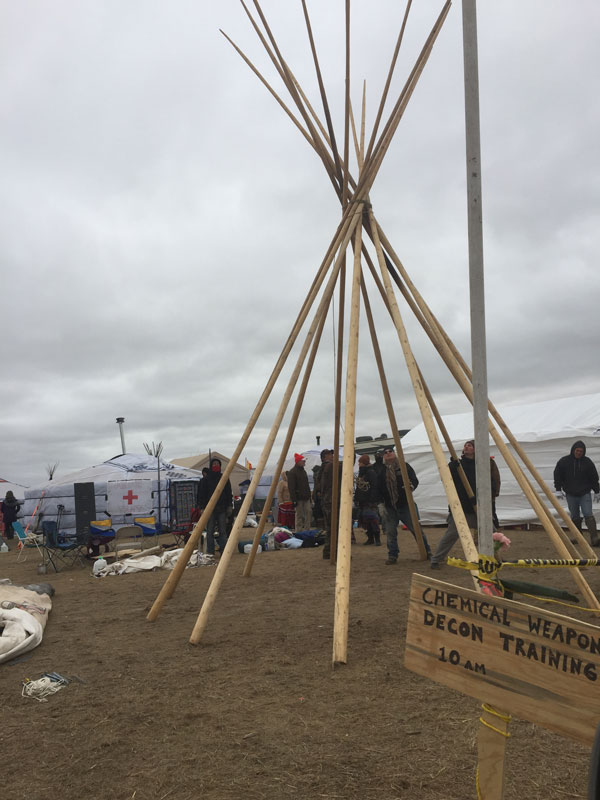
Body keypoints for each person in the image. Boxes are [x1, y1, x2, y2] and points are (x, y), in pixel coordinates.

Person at [430, 439, 500, 569]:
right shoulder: (458, 465)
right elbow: (445, 478)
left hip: (478, 507)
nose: (467, 447)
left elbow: (490, 483)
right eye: (466, 445)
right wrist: (452, 466)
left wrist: (485, 499)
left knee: (491, 533)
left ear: (475, 449)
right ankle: (436, 559)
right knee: (451, 535)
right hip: (460, 507)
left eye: (470, 445)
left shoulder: (482, 465)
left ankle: (495, 558)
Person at [378, 448, 430, 564]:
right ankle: (392, 555)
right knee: (391, 532)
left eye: (390, 451)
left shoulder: (404, 466)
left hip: (405, 504)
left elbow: (414, 480)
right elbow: (378, 487)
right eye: (385, 453)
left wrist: (411, 487)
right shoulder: (381, 470)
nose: (388, 454)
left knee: (416, 529)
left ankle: (427, 551)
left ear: (394, 453)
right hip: (390, 505)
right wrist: (380, 503)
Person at [553, 440, 600, 546]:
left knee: (588, 514)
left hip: (584, 493)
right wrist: (558, 489)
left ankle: (594, 539)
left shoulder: (587, 462)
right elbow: (557, 474)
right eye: (577, 450)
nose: (579, 453)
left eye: (581, 451)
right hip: (570, 494)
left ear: (584, 452)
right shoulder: (564, 461)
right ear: (573, 450)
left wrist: (597, 491)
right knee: (575, 516)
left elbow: (594, 477)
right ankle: (579, 538)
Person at [197, 457, 233, 556]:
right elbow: (202, 495)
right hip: (209, 509)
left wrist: (229, 505)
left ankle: (223, 551)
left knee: (222, 531)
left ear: (220, 466)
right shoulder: (206, 480)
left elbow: (228, 493)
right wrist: (202, 508)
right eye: (214, 464)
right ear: (211, 466)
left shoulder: (224, 478)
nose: (215, 466)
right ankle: (210, 552)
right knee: (210, 531)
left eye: (217, 464)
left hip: (222, 508)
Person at [354, 454, 381, 546]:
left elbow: (374, 486)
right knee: (366, 520)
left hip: (369, 500)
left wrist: (372, 499)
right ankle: (370, 538)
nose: (359, 464)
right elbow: (359, 487)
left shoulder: (371, 472)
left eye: (360, 463)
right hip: (363, 500)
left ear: (363, 463)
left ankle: (377, 538)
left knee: (372, 519)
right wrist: (357, 498)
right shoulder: (362, 473)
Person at [287, 453, 312, 532]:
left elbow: (307, 485)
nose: (305, 462)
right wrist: (294, 499)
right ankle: (299, 531)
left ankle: (307, 530)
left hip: (306, 497)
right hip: (298, 498)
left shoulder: (303, 472)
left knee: (309, 513)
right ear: (298, 461)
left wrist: (309, 496)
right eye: (303, 461)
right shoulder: (292, 472)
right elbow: (291, 487)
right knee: (299, 515)